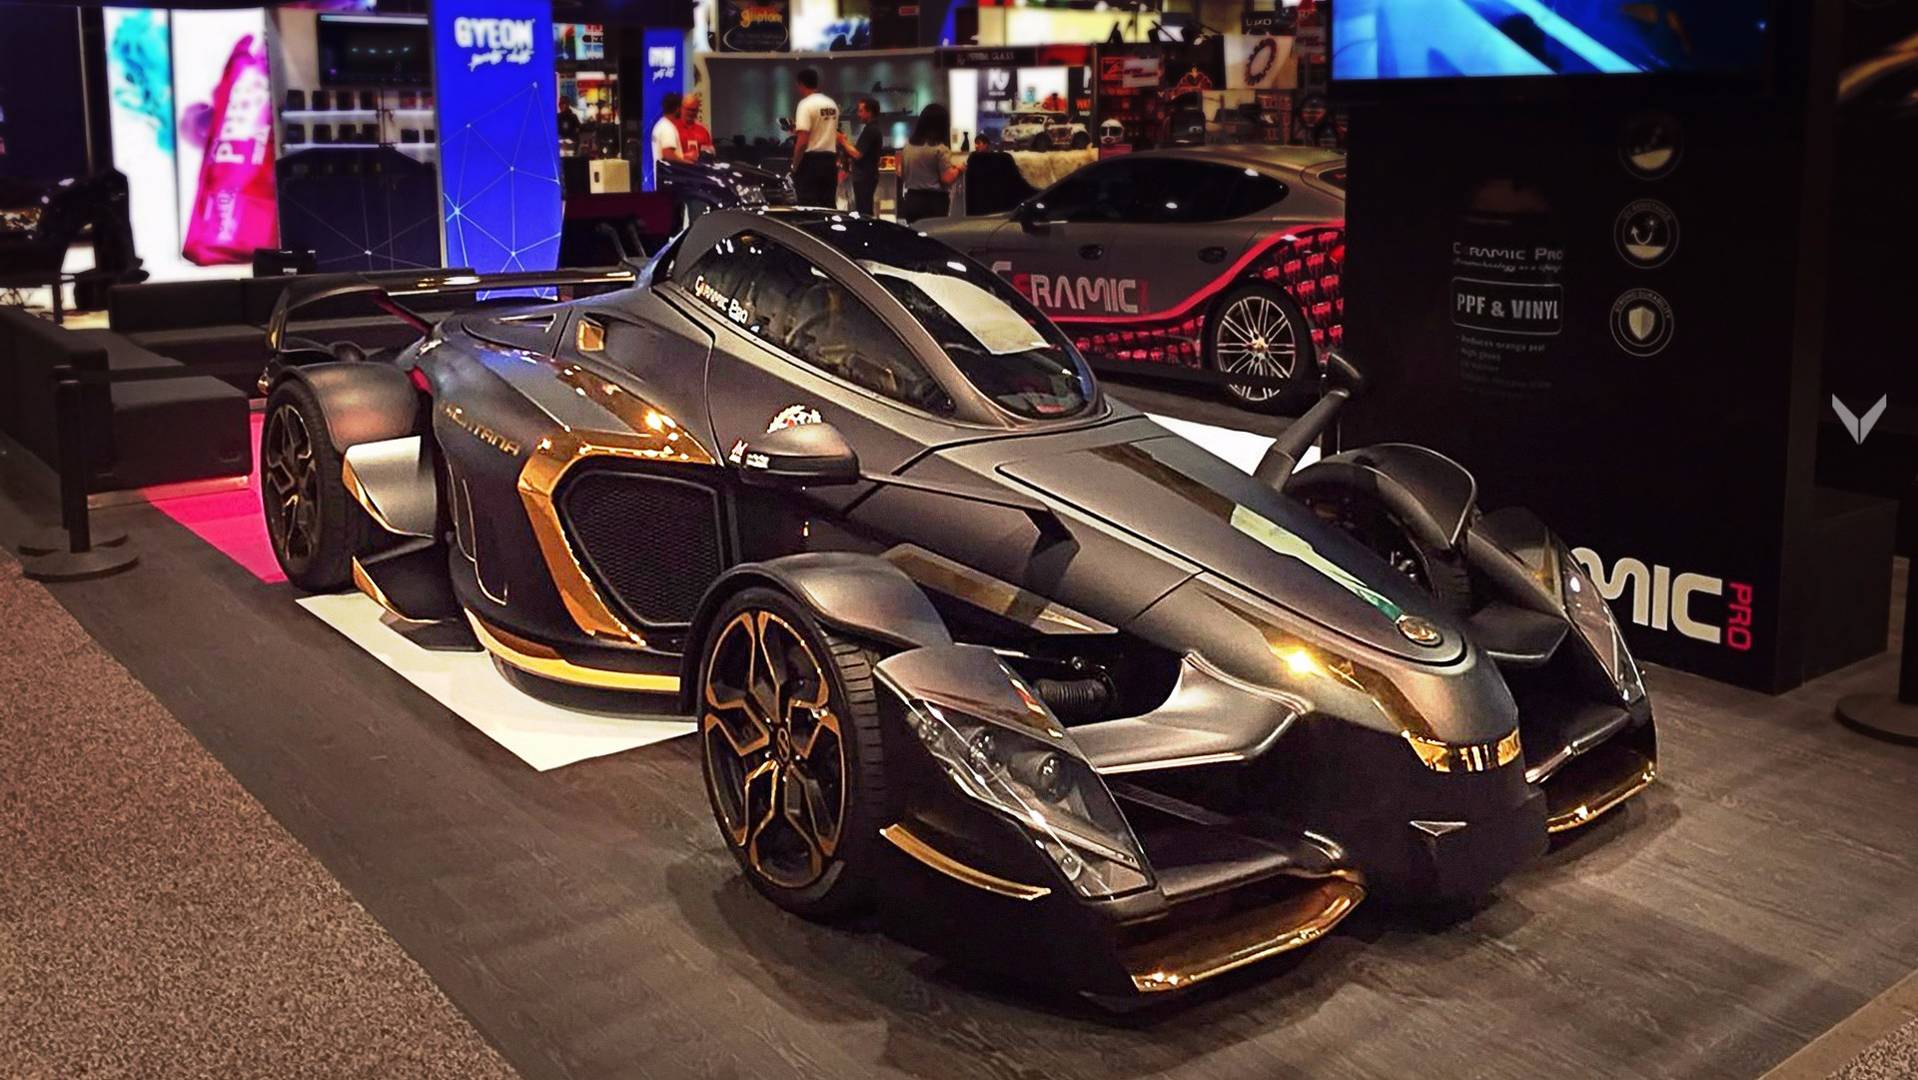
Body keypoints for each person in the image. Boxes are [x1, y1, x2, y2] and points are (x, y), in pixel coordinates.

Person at [897, 102, 962, 223]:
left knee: (914, 233)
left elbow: (901, 173)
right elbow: (947, 178)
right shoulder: (940, 149)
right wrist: (959, 169)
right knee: (933, 234)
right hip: (933, 203)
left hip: (911, 199)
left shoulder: (908, 146)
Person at [790, 68, 840, 208]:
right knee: (828, 206)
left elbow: (802, 142)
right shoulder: (832, 104)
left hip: (811, 163)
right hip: (830, 161)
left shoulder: (805, 105)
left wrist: (795, 165)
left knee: (808, 207)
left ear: (801, 84)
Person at [836, 97, 881, 216]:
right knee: (864, 209)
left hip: (864, 177)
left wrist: (842, 140)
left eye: (861, 111)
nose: (858, 114)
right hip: (866, 176)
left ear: (869, 112)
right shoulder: (872, 129)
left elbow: (857, 154)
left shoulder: (871, 130)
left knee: (864, 211)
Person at [651, 91, 694, 188]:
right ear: (677, 109)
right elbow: (668, 154)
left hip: (664, 180)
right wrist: (688, 163)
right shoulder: (667, 128)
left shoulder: (660, 124)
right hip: (671, 182)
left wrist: (683, 157)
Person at [676, 92, 712, 163]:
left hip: (698, 168)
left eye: (694, 110)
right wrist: (683, 157)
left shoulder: (703, 131)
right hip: (678, 168)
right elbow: (668, 155)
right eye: (688, 109)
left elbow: (709, 154)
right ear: (681, 108)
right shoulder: (672, 128)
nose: (691, 112)